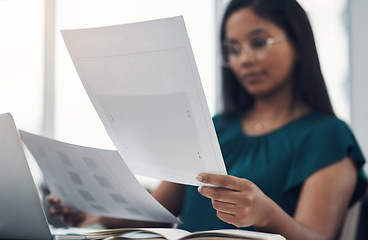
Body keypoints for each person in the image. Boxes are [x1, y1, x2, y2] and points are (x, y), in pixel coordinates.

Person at [47, 0, 367, 239]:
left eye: (258, 42)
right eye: (233, 48)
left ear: (298, 43)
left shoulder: (328, 136)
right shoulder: (214, 126)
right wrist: (94, 213)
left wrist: (267, 214)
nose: (244, 59)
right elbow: (157, 213)